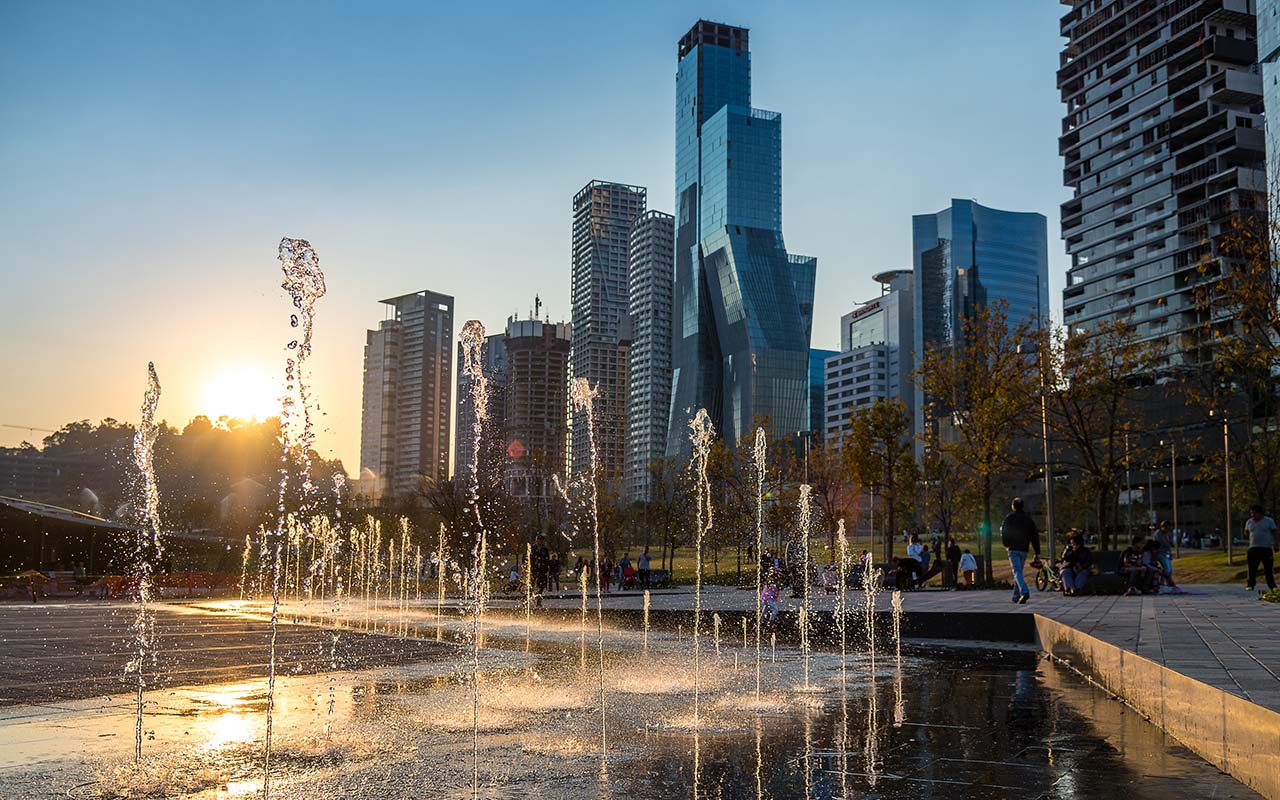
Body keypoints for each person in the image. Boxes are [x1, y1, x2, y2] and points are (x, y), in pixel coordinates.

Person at [1001, 497, 1041, 604]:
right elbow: (1034, 536)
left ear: (1013, 506)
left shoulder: (1009, 518)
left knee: (1017, 571)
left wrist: (1006, 544)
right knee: (1018, 572)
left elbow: (1004, 532)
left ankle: (1024, 591)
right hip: (1024, 549)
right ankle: (1016, 596)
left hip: (1013, 548)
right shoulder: (1028, 519)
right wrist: (1037, 552)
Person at [1245, 504, 1278, 592]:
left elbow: (1275, 532)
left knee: (1268, 569)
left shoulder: (1269, 521)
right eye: (1251, 513)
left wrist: (1276, 544)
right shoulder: (1249, 522)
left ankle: (1272, 586)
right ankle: (1250, 585)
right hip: (1253, 548)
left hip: (1266, 548)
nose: (1252, 515)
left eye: (1254, 513)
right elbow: (1247, 532)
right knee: (1252, 568)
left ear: (1260, 513)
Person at [1154, 521, 1183, 593]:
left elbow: (1171, 544)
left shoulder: (1169, 533)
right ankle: (1167, 583)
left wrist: (1170, 554)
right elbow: (1164, 543)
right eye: (1166, 528)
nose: (1168, 530)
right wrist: (1168, 541)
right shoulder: (1158, 533)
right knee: (1166, 569)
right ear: (1162, 527)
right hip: (1160, 553)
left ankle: (1164, 583)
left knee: (1170, 570)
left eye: (1169, 528)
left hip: (1167, 553)